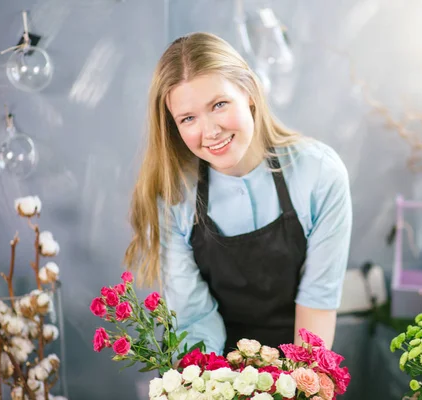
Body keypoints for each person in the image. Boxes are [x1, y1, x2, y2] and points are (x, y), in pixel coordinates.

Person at [124, 32, 352, 356]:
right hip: (209, 368)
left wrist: (300, 386)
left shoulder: (320, 174)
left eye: (219, 105)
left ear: (248, 91)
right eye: (188, 118)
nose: (210, 131)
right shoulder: (175, 195)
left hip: (299, 360)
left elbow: (318, 303)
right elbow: (193, 319)